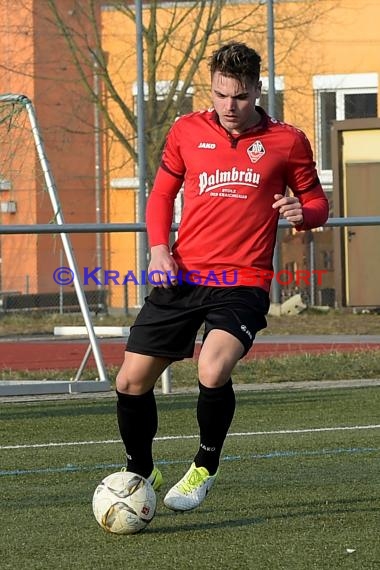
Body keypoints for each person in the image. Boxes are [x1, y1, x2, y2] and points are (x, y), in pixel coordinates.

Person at [115, 42, 329, 512]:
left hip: (243, 280)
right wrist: (157, 250)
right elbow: (160, 195)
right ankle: (140, 469)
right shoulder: (186, 131)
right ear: (209, 87)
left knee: (212, 367)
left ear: (256, 88)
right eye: (219, 95)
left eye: (239, 96)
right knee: (130, 382)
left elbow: (317, 202)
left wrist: (303, 212)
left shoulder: (287, 140)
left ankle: (204, 466)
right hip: (183, 275)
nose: (229, 106)